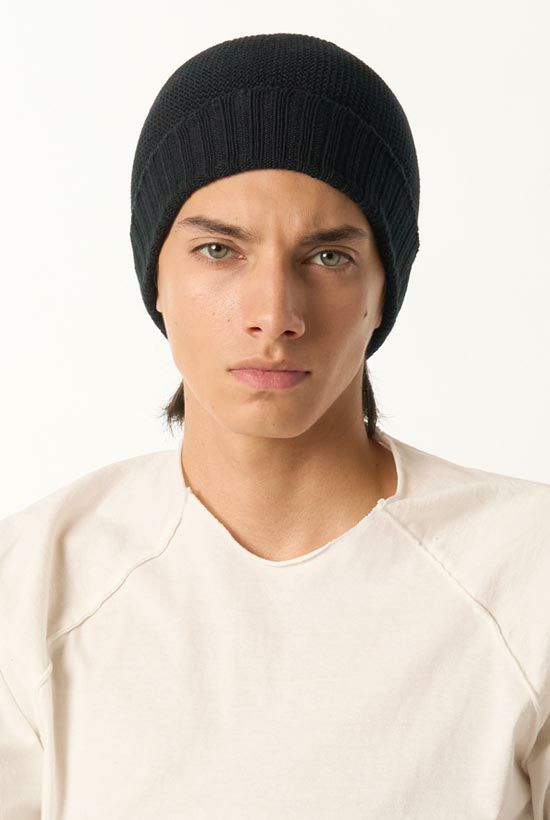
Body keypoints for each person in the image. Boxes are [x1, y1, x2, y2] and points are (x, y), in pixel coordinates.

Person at [1, 32, 549, 820]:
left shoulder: (527, 575)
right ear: (156, 278)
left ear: (384, 290)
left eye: (328, 258)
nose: (274, 314)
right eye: (219, 249)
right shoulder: (32, 587)